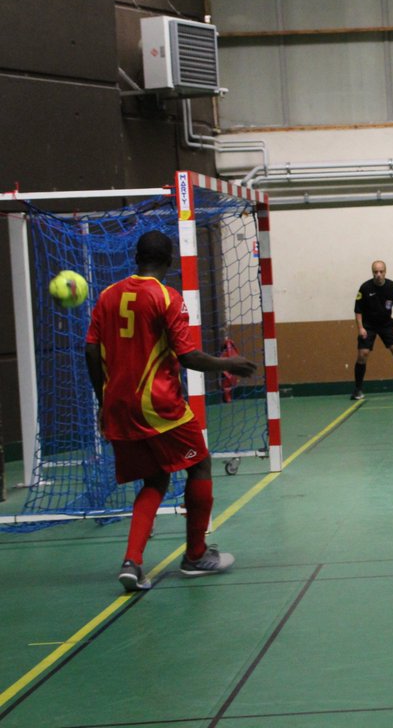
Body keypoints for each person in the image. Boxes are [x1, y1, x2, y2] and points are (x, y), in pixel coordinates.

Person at [84, 230, 257, 592]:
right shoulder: (167, 297)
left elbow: (90, 350)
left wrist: (103, 400)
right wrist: (229, 363)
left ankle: (132, 562)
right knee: (199, 464)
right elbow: (188, 357)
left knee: (155, 479)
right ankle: (196, 555)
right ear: (171, 261)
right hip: (158, 405)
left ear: (135, 257)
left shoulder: (106, 296)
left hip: (117, 403)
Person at [351, 260, 393, 400]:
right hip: (368, 325)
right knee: (362, 354)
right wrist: (361, 328)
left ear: (385, 272)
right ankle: (357, 390)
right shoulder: (365, 288)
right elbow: (358, 311)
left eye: (381, 271)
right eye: (375, 272)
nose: (378, 274)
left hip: (387, 324)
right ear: (372, 273)